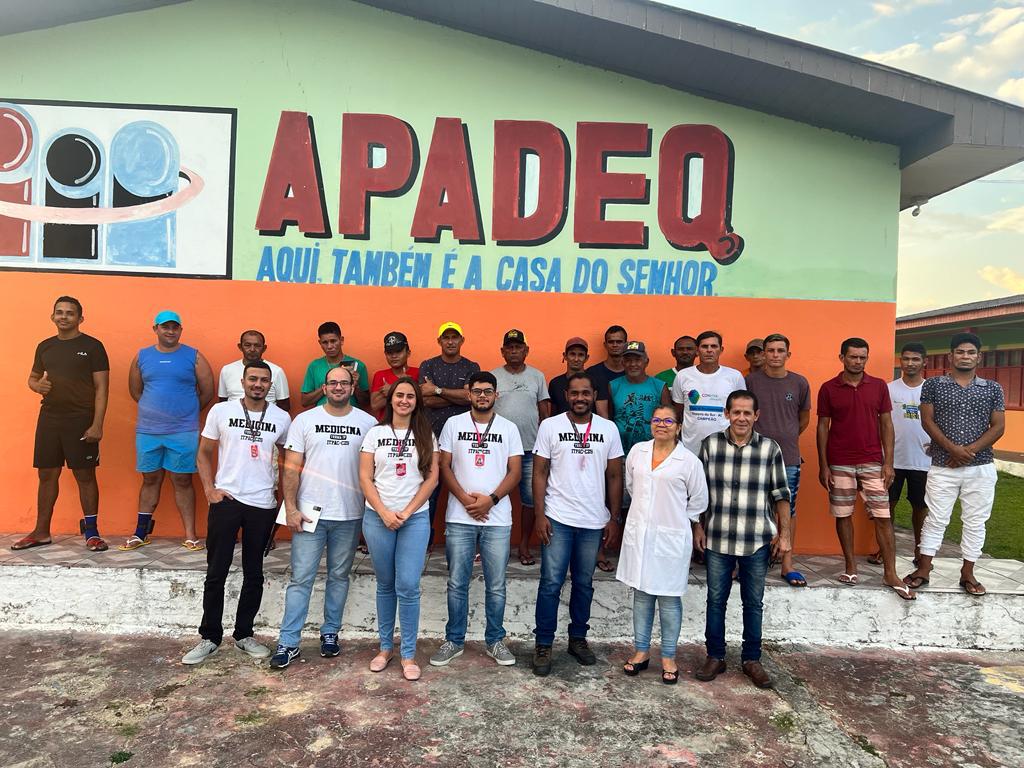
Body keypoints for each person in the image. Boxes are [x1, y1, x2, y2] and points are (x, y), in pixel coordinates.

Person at [182, 361, 292, 665]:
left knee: (254, 572)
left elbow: (288, 461)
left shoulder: (282, 418)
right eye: (253, 379)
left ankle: (244, 634)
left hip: (263, 503)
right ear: (242, 382)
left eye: (264, 380)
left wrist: (284, 498)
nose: (258, 384)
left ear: (270, 386)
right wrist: (210, 490)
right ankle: (209, 637)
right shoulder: (221, 411)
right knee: (216, 570)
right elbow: (203, 453)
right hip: (227, 500)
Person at [269, 364, 376, 669]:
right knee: (301, 578)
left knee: (339, 576)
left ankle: (330, 633)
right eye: (333, 383)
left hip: (349, 514)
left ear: (352, 388)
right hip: (308, 514)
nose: (338, 387)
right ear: (325, 387)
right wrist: (290, 507)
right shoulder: (305, 420)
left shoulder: (368, 423)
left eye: (344, 383)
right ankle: (288, 642)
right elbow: (291, 468)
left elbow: (374, 471)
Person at [694, 390, 791, 689]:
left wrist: (784, 535)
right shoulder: (710, 445)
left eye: (747, 412)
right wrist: (698, 527)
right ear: (726, 413)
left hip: (756, 539)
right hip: (718, 538)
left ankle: (752, 659)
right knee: (715, 601)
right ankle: (715, 656)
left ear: (756, 415)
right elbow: (698, 492)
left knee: (753, 602)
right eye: (736, 412)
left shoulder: (770, 449)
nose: (741, 418)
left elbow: (781, 494)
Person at [531, 372, 624, 677]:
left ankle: (578, 639)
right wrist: (540, 515)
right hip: (557, 517)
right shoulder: (550, 426)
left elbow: (615, 475)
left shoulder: (608, 429)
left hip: (593, 521)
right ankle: (543, 643)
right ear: (567, 396)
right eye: (575, 393)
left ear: (594, 395)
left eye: (586, 393)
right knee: (550, 583)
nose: (580, 398)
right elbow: (540, 472)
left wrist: (613, 517)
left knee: (584, 583)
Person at [431, 371, 523, 667]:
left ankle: (495, 640)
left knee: (496, 585)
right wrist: (464, 499)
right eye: (477, 391)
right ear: (468, 394)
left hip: (497, 518)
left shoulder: (509, 428)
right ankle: (454, 640)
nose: (482, 396)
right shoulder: (453, 424)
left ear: (496, 395)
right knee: (457, 583)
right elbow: (444, 466)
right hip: (460, 517)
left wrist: (490, 500)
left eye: (488, 391)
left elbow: (515, 471)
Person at [903, 333, 1005, 596]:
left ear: (979, 357)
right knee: (936, 518)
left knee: (975, 521)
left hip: (980, 467)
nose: (965, 356)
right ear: (951, 356)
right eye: (960, 352)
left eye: (970, 352)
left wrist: (967, 452)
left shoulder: (992, 388)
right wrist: (952, 449)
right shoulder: (934, 385)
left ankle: (968, 573)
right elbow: (927, 421)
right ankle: (923, 569)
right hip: (943, 465)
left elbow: (998, 426)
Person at [816, 338, 914, 600]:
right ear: (842, 358)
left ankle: (890, 573)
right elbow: (822, 427)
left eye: (862, 357)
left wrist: (888, 462)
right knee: (843, 514)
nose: (858, 362)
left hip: (872, 461)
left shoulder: (879, 386)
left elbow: (886, 424)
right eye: (853, 357)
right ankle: (850, 567)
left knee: (883, 516)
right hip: (839, 461)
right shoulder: (828, 388)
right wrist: (823, 465)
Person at [617, 405, 708, 685]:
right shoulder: (638, 452)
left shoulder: (688, 461)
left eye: (669, 421)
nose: (661, 424)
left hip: (672, 537)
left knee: (669, 598)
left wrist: (679, 521)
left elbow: (699, 500)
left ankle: (668, 656)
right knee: (642, 595)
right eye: (656, 420)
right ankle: (641, 651)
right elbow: (632, 486)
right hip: (640, 535)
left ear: (679, 427)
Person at [13, 297, 110, 552]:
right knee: (46, 474)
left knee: (84, 475)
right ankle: (41, 531)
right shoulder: (45, 347)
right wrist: (37, 386)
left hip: (81, 419)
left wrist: (97, 424)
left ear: (80, 318)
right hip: (49, 418)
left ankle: (92, 533)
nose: (64, 316)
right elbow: (33, 378)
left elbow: (102, 388)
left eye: (70, 313)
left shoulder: (93, 347)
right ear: (52, 316)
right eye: (59, 312)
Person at [359, 377, 439, 681]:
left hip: (414, 519)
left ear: (416, 402)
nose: (404, 400)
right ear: (391, 399)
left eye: (410, 396)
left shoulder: (426, 435)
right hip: (378, 518)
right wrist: (384, 512)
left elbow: (431, 479)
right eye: (399, 395)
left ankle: (408, 653)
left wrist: (406, 512)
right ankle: (384, 648)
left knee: (408, 585)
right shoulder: (375, 433)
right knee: (385, 584)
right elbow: (365, 477)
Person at [124, 310, 215, 551]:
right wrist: (156, 410)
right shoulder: (142, 356)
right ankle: (140, 533)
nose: (170, 331)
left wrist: (186, 412)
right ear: (155, 329)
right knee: (150, 479)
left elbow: (208, 391)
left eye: (175, 327)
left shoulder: (194, 356)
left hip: (184, 430)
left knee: (183, 480)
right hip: (148, 430)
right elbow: (135, 391)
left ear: (180, 330)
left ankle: (190, 535)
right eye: (165, 327)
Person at [745, 333, 811, 587]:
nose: (775, 355)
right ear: (763, 354)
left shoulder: (799, 382)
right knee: (751, 509)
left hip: (788, 457)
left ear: (788, 354)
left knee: (787, 510)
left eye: (780, 350)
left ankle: (787, 564)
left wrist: (786, 436)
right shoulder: (751, 381)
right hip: (754, 456)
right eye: (770, 350)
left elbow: (803, 419)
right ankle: (747, 563)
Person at [490, 329, 550, 567]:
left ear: (526, 350)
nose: (514, 351)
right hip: (498, 449)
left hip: (529, 449)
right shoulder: (493, 376)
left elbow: (544, 412)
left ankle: (524, 544)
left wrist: (545, 445)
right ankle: (493, 547)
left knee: (531, 499)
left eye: (518, 347)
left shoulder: (537, 376)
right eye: (510, 347)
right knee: (493, 495)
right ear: (502, 351)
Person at [868, 342, 930, 566]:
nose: (910, 363)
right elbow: (879, 422)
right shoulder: (888, 389)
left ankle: (920, 551)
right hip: (891, 460)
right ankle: (884, 550)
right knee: (887, 507)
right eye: (906, 358)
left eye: (915, 359)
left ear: (924, 362)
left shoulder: (931, 389)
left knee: (920, 508)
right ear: (900, 361)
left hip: (923, 460)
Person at [418, 321, 479, 549]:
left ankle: (464, 542)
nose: (450, 341)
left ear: (462, 340)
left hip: (463, 440)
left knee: (464, 488)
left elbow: (471, 397)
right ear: (439, 341)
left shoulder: (472, 367)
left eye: (455, 337)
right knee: (429, 491)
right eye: (446, 337)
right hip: (431, 438)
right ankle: (424, 541)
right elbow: (425, 400)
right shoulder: (428, 365)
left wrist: (438, 390)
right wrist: (458, 397)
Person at [670, 330, 745, 455]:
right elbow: (678, 413)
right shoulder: (683, 376)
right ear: (697, 350)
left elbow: (740, 411)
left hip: (724, 446)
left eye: (714, 346)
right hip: (690, 448)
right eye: (704, 346)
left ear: (721, 350)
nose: (709, 350)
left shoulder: (734, 376)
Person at [300, 321, 369, 410]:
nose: (329, 346)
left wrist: (356, 386)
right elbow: (305, 401)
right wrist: (328, 385)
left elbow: (366, 403)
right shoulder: (314, 366)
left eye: (333, 341)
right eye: (325, 342)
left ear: (341, 340)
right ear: (320, 343)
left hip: (349, 416)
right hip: (322, 417)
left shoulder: (358, 365)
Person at [218, 330, 290, 409]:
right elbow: (222, 402)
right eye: (247, 345)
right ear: (240, 347)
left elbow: (284, 405)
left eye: (257, 346)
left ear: (264, 348)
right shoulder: (227, 370)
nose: (252, 349)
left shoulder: (276, 371)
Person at [548, 337, 610, 419]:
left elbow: (602, 415)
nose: (576, 359)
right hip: (562, 427)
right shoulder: (555, 383)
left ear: (586, 358)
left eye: (580, 355)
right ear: (565, 356)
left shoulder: (597, 382)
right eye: (572, 354)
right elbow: (553, 415)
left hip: (590, 426)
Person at [370, 331, 419, 420]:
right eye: (390, 352)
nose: (394, 356)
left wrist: (392, 389)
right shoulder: (380, 375)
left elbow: (423, 401)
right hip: (386, 425)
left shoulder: (418, 372)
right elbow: (375, 405)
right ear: (385, 354)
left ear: (408, 353)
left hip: (413, 424)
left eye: (398, 351)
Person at [585, 325, 628, 397]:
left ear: (626, 344)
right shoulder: (591, 373)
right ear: (605, 345)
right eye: (611, 342)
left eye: (619, 342)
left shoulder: (632, 373)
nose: (615, 345)